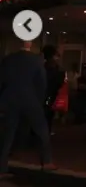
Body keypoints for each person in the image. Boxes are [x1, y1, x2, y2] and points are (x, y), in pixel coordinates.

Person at [0, 41, 55, 172]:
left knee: (7, 134)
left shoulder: (8, 59)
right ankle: (46, 161)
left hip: (10, 99)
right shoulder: (36, 61)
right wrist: (39, 100)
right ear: (30, 45)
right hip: (30, 99)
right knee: (42, 130)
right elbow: (42, 82)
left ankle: (1, 166)